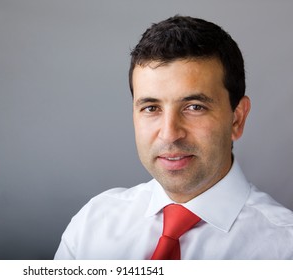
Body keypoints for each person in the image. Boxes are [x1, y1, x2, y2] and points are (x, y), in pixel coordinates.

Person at [54, 15, 293, 259]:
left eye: (194, 107)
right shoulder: (92, 226)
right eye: (151, 108)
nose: (170, 134)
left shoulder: (284, 249)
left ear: (237, 118)